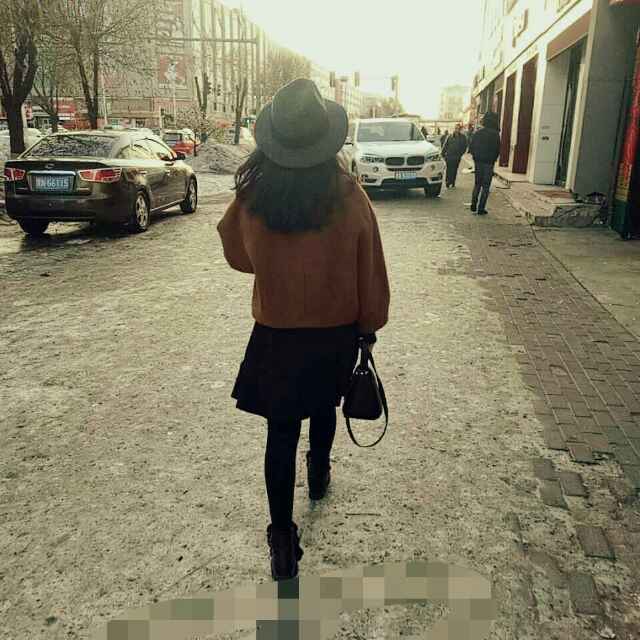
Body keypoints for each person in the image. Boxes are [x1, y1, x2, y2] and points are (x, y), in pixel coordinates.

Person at [217, 78, 391, 582]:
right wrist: (369, 326)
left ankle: (281, 539)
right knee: (322, 406)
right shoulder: (347, 193)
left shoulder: (254, 195)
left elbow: (235, 253)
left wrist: (274, 264)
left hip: (275, 334)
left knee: (280, 431)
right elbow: (370, 266)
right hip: (334, 333)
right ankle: (318, 472)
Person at [468, 112, 501, 215]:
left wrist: (475, 157)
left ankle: (473, 204)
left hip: (478, 162)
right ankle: (481, 208)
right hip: (489, 163)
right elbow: (498, 149)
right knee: (486, 186)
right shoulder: (495, 134)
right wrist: (493, 159)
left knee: (477, 184)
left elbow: (471, 147)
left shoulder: (477, 133)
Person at [441, 123, 468, 189]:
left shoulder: (463, 137)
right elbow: (445, 146)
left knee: (454, 169)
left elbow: (465, 147)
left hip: (457, 156)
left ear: (460, 129)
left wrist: (460, 154)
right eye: (456, 128)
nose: (457, 130)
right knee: (449, 169)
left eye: (458, 129)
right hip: (449, 156)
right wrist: (442, 154)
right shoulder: (449, 136)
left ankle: (452, 182)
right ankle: (448, 182)